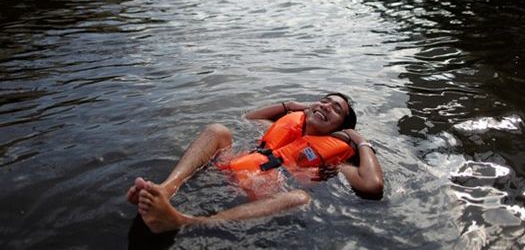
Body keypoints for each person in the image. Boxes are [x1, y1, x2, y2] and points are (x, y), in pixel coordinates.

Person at [126, 93, 384, 234]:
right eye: (324, 100)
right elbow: (248, 117)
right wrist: (293, 105)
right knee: (218, 131)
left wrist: (361, 140)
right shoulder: (285, 126)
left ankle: (185, 221)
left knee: (300, 198)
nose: (327, 106)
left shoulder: (333, 162)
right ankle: (167, 188)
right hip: (230, 168)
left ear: (340, 129)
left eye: (336, 109)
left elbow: (372, 186)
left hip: (262, 192)